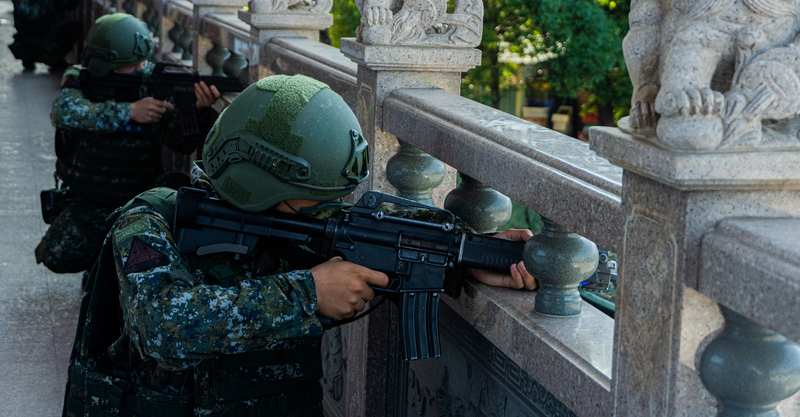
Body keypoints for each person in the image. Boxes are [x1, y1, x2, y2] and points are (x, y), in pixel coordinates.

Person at [62, 74, 536, 416]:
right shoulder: (149, 222)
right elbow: (161, 328)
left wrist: (466, 254)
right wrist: (309, 293)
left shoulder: (292, 218)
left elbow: (363, 225)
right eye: (308, 203)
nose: (321, 213)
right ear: (259, 189)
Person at [36, 13, 220, 274]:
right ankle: (102, 261)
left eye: (142, 62)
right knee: (56, 254)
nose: (140, 69)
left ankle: (119, 265)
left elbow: (180, 143)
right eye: (130, 66)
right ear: (102, 64)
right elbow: (63, 111)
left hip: (140, 198)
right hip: (90, 200)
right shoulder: (80, 77)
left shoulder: (152, 82)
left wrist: (197, 110)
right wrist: (129, 112)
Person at [9, 0, 81, 70]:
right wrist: (44, 0)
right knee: (33, 46)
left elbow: (66, 6)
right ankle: (31, 56)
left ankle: (55, 58)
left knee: (74, 27)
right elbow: (30, 16)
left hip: (48, 31)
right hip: (30, 35)